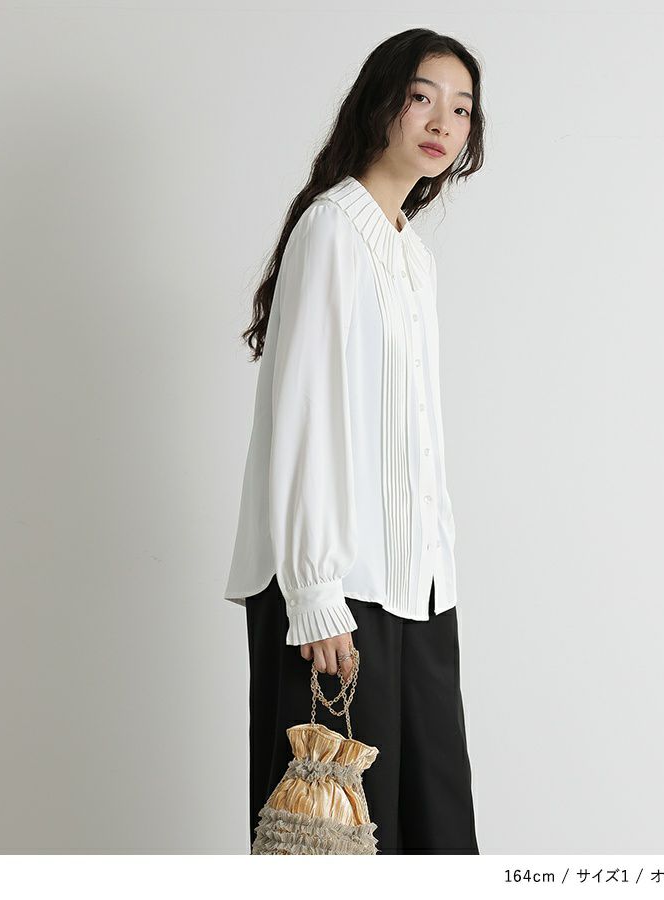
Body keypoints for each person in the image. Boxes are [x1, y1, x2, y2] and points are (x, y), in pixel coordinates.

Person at [223, 28, 486, 854]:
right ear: (380, 103)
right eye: (422, 97)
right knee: (329, 844)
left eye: (462, 108)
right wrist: (313, 590)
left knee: (435, 832)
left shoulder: (411, 256)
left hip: (415, 587)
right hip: (336, 589)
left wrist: (440, 566)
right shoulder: (333, 230)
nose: (443, 122)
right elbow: (305, 414)